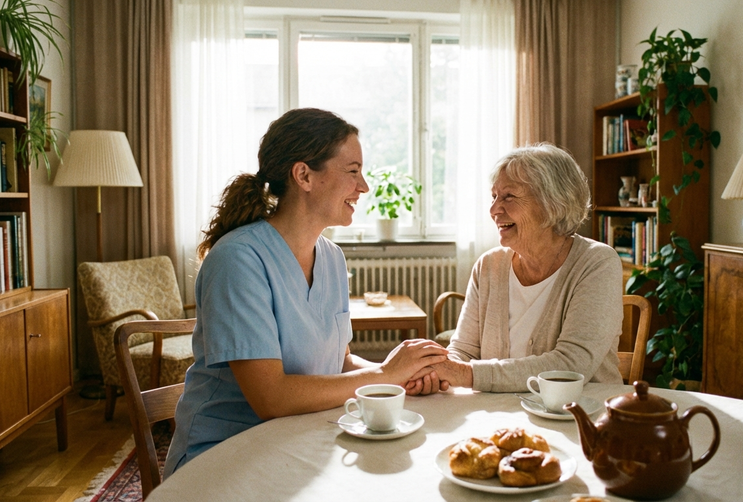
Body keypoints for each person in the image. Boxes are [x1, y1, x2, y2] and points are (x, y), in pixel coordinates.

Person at [165, 108, 448, 475]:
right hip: (225, 457)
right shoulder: (237, 260)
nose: (363, 187)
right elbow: (272, 398)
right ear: (304, 175)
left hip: (300, 442)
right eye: (352, 171)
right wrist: (386, 375)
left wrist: (399, 377)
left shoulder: (330, 257)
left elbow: (340, 362)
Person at [409, 143, 622, 395]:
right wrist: (436, 374)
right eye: (494, 197)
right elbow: (463, 350)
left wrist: (463, 373)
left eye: (508, 197)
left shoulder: (597, 263)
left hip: (580, 420)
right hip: (501, 418)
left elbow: (570, 366)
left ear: (553, 203)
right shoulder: (489, 266)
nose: (493, 210)